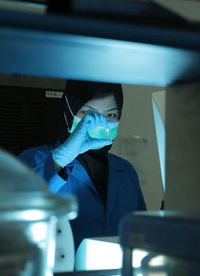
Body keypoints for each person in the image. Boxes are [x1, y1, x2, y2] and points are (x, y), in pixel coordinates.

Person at [19, 80, 146, 251]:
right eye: (88, 114)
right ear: (68, 112)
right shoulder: (36, 159)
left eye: (110, 115)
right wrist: (61, 158)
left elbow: (142, 234)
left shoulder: (126, 170)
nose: (100, 122)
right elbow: (16, 207)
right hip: (59, 275)